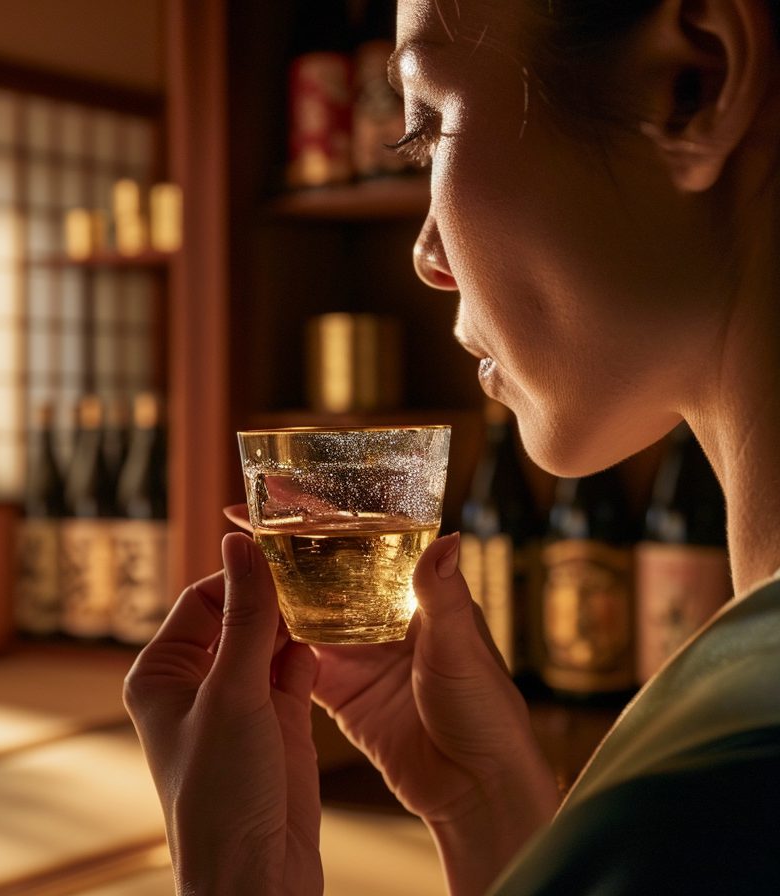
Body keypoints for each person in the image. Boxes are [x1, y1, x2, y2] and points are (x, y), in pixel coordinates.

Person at [124, 0, 780, 893]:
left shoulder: (721, 796)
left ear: (691, 88)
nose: (426, 256)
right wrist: (498, 820)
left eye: (427, 128)